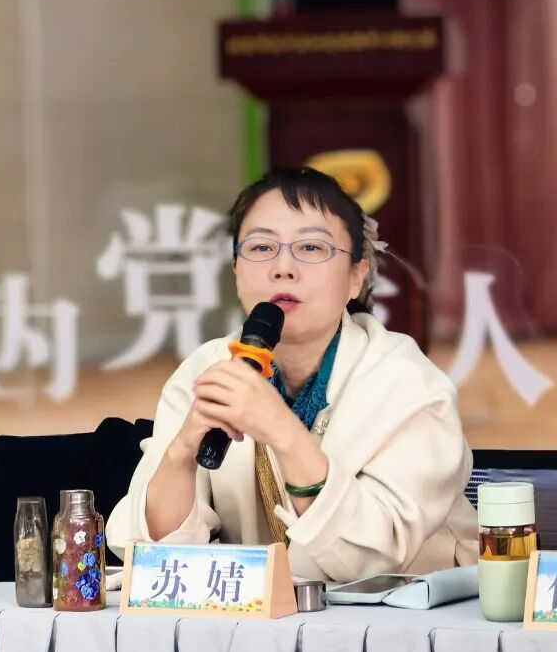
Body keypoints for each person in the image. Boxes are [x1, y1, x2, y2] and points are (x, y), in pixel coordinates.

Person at [106, 167, 478, 582]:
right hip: (262, 611)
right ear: (236, 270)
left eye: (312, 248)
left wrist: (281, 430)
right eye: (262, 247)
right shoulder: (207, 368)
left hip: (403, 612)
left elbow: (372, 561)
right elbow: (157, 554)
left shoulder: (409, 383)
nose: (283, 268)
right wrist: (181, 452)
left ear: (357, 277)